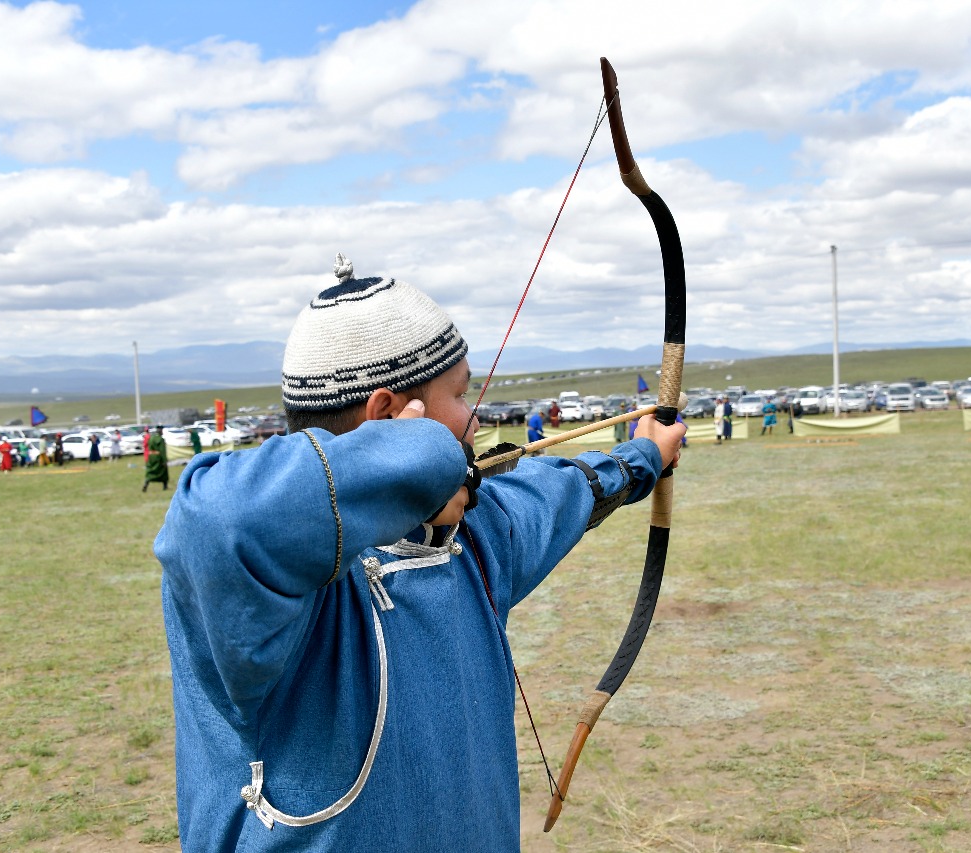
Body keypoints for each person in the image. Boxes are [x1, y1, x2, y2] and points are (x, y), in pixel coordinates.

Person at [154, 254, 685, 852]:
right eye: (459, 394)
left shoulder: (476, 538)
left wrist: (644, 458)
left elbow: (559, 491)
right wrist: (410, 463)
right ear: (388, 417)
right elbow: (218, 519)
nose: (474, 416)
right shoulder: (267, 584)